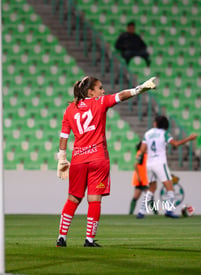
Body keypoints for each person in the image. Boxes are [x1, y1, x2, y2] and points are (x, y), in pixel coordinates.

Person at [56, 76, 157, 247]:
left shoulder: (69, 110)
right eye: (100, 88)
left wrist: (62, 158)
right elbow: (121, 95)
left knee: (72, 199)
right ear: (90, 92)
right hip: (98, 158)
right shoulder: (100, 102)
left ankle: (61, 238)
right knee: (94, 200)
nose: (103, 91)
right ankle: (88, 240)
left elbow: (64, 135)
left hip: (78, 160)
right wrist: (138, 89)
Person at [136, 115, 197, 219]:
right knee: (170, 187)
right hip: (160, 163)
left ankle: (141, 211)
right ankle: (169, 210)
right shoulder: (164, 134)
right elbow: (176, 144)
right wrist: (189, 138)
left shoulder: (148, 133)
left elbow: (142, 150)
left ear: (156, 123)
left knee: (151, 188)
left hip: (149, 164)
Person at [129, 141, 149, 215]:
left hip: (143, 179)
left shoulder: (144, 154)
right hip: (141, 179)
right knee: (149, 195)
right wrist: (138, 176)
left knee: (138, 196)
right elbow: (135, 164)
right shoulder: (141, 153)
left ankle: (131, 212)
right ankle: (155, 212)